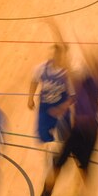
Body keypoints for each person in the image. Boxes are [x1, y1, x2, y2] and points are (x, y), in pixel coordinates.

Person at [35, 46, 98, 196]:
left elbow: (96, 64)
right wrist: (63, 107)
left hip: (82, 132)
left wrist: (83, 49)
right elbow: (74, 85)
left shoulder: (91, 81)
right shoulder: (88, 81)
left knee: (69, 169)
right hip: (86, 132)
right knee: (70, 169)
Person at [27, 39, 73, 183]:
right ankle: (49, 158)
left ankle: (64, 154)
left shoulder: (67, 74)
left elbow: (73, 97)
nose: (55, 57)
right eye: (53, 54)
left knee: (65, 139)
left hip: (61, 110)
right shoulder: (40, 68)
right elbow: (34, 81)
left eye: (58, 55)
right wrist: (30, 98)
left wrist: (62, 108)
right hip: (45, 108)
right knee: (44, 137)